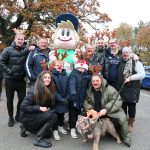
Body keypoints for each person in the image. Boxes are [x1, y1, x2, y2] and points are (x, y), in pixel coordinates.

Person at [83, 74, 131, 147]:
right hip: (96, 113)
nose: (95, 83)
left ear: (101, 81)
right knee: (83, 118)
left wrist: (106, 109)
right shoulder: (89, 90)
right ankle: (89, 134)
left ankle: (121, 135)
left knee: (119, 121)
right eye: (93, 81)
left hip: (110, 111)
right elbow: (85, 101)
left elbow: (118, 100)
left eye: (97, 81)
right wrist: (90, 109)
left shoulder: (110, 89)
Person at [20, 71, 58, 148]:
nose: (47, 79)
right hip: (28, 116)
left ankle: (25, 127)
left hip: (37, 115)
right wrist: (39, 108)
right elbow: (23, 106)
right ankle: (38, 139)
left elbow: (51, 105)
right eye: (45, 77)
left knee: (48, 135)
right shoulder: (33, 90)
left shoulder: (50, 88)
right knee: (53, 116)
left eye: (49, 78)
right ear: (41, 79)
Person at [0, 33, 29, 127]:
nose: (20, 41)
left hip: (21, 79)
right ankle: (10, 118)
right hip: (10, 79)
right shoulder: (7, 50)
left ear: (24, 40)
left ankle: (18, 115)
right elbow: (1, 62)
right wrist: (9, 71)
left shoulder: (26, 50)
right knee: (10, 99)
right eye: (19, 39)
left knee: (22, 98)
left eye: (22, 39)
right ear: (15, 39)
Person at [117, 47, 145, 132]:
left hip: (132, 89)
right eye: (123, 52)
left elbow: (142, 75)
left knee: (131, 107)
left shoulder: (136, 62)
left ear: (131, 53)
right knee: (123, 106)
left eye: (127, 52)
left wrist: (130, 78)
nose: (124, 54)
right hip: (123, 89)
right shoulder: (122, 62)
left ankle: (130, 123)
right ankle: (124, 123)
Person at [69, 60, 90, 139]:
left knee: (79, 113)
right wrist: (73, 95)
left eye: (83, 68)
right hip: (74, 98)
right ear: (77, 67)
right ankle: (72, 128)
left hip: (82, 97)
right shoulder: (73, 75)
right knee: (73, 113)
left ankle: (78, 127)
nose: (81, 69)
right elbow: (72, 84)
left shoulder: (86, 76)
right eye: (79, 67)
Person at [51, 60, 69, 140]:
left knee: (62, 114)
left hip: (64, 98)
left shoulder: (66, 76)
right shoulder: (52, 75)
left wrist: (67, 97)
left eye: (61, 65)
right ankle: (55, 130)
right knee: (56, 115)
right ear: (54, 66)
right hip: (56, 99)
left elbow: (68, 87)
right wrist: (60, 98)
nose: (59, 66)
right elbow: (53, 90)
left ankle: (60, 126)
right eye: (57, 65)